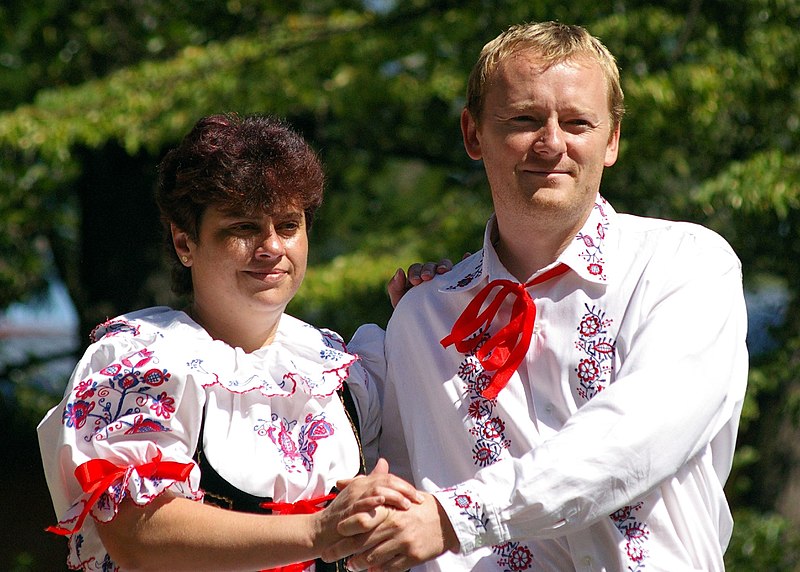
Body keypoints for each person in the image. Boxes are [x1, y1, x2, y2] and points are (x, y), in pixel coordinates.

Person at [340, 21, 749, 572]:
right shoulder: (423, 318)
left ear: (612, 141)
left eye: (578, 122)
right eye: (524, 120)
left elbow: (641, 431)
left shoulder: (685, 265)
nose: (552, 142)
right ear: (472, 134)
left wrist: (457, 516)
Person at [37, 113, 435, 572]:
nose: (271, 247)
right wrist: (319, 531)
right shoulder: (144, 360)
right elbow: (137, 534)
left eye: (288, 226)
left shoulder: (344, 373)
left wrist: (434, 314)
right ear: (185, 242)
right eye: (243, 228)